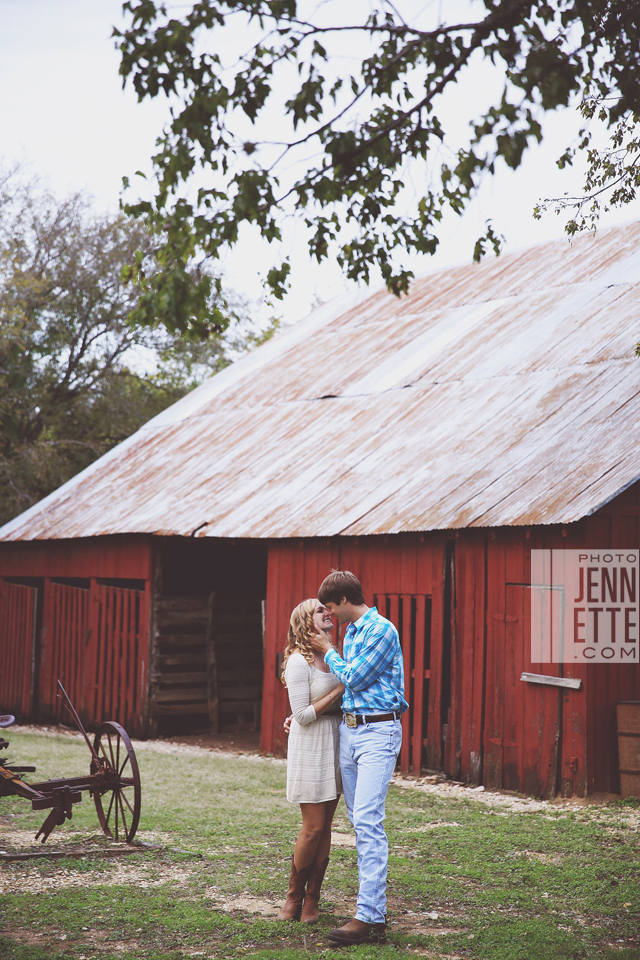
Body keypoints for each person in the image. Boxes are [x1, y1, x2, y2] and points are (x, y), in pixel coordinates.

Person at [309, 570, 408, 947]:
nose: (330, 616)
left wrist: (326, 649)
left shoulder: (382, 630)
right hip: (350, 731)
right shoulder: (353, 631)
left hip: (378, 732)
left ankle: (369, 917)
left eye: (331, 607)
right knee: (358, 819)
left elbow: (354, 677)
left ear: (346, 600)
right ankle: (371, 912)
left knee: (367, 820)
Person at [279, 598, 345, 923]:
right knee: (312, 827)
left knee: (327, 826)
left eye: (326, 609)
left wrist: (341, 694)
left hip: (334, 740)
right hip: (309, 745)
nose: (326, 612)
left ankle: (312, 900)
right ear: (307, 622)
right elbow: (302, 716)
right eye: (320, 610)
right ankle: (292, 899)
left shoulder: (334, 659)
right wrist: (338, 692)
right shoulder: (297, 662)